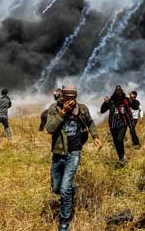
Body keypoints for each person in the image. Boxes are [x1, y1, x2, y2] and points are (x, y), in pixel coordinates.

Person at [45, 85, 102, 231]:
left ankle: (64, 221)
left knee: (64, 189)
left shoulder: (81, 109)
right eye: (67, 98)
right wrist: (63, 113)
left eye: (73, 98)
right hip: (58, 153)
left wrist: (96, 136)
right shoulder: (54, 108)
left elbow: (90, 122)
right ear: (62, 96)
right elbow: (50, 129)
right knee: (57, 188)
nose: (70, 102)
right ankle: (71, 191)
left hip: (74, 152)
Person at [101, 85, 134, 164]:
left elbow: (134, 105)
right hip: (113, 125)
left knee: (119, 140)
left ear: (122, 93)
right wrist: (105, 103)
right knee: (116, 142)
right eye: (117, 93)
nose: (118, 94)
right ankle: (121, 157)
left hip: (123, 124)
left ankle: (122, 156)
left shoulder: (125, 100)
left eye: (120, 93)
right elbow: (102, 110)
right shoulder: (111, 101)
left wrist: (132, 99)